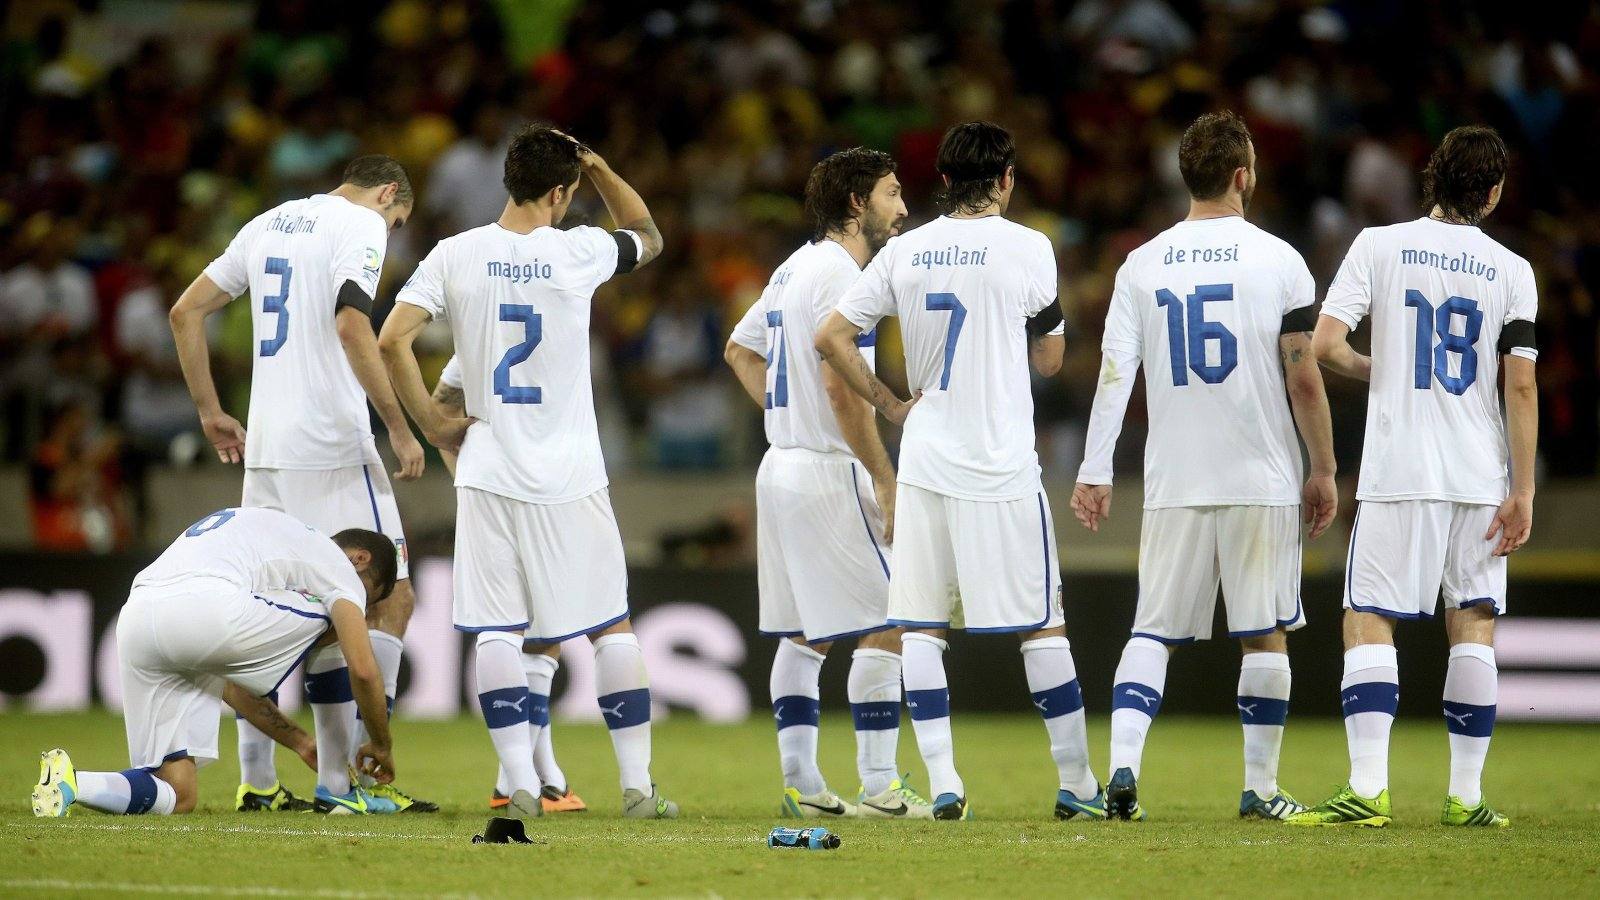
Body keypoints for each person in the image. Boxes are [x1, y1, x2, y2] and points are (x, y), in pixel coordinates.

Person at [379, 124, 678, 819]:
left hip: (487, 469)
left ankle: (517, 780)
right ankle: (636, 786)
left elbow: (393, 336)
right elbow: (648, 233)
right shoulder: (578, 251)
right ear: (560, 192)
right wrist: (601, 167)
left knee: (498, 631)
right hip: (570, 472)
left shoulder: (456, 254)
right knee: (610, 627)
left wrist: (431, 423)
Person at [816, 121, 1099, 822]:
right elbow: (1051, 360)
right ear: (1006, 180)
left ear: (943, 182)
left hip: (928, 460)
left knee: (920, 626)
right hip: (1001, 462)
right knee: (1043, 624)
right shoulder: (1031, 247)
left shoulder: (904, 251)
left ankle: (944, 780)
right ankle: (1079, 786)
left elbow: (830, 336)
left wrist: (888, 402)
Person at [1069, 111, 1338, 821]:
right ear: (1243, 175)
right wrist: (1325, 467)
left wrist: (1094, 469)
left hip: (1174, 480)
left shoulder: (1141, 263)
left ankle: (1122, 770)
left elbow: (1113, 373)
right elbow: (1303, 378)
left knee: (1151, 631)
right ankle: (1261, 788)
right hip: (1260, 477)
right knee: (1264, 630)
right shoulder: (1278, 259)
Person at [168, 155, 435, 813]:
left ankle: (257, 780)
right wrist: (399, 428)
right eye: (397, 218)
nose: (392, 231)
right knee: (388, 597)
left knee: (271, 610)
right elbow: (352, 325)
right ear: (385, 194)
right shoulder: (362, 225)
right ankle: (350, 783)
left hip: (266, 451)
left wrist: (210, 411)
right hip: (335, 448)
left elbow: (184, 312)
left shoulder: (267, 224)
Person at [1290, 126, 1538, 829]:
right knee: (1474, 623)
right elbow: (1520, 388)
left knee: (1369, 617)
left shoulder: (1378, 246)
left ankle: (1368, 790)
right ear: (1490, 193)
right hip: (1480, 474)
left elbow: (1326, 344)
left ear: (1430, 177)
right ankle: (1466, 797)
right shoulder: (1513, 270)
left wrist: (1385, 372)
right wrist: (1521, 491)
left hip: (1400, 468)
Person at [724, 147, 932, 819]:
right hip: (825, 468)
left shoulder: (792, 268)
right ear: (856, 204)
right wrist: (885, 473)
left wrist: (788, 417)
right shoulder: (844, 275)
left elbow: (739, 350)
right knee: (898, 618)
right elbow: (845, 398)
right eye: (893, 195)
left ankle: (803, 784)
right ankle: (879, 787)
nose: (903, 209)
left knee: (804, 634)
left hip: (780, 465)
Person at [31, 507, 398, 817]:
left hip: (138, 617)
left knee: (178, 792)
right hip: (210, 607)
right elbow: (363, 669)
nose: (361, 607)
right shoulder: (337, 566)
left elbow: (229, 683)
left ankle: (71, 783)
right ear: (360, 559)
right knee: (339, 619)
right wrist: (380, 745)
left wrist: (300, 742)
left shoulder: (273, 537)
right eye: (367, 597)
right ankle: (337, 793)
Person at [431, 356, 587, 814]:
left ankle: (536, 777)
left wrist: (462, 467)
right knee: (543, 634)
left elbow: (440, 403)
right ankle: (519, 780)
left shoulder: (478, 333)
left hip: (488, 487)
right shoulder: (563, 320)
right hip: (551, 489)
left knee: (513, 630)